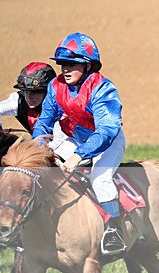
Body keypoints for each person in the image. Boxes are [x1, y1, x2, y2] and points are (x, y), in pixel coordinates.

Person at [32, 32, 127, 255]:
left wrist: (78, 155)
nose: (65, 69)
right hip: (74, 139)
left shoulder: (103, 88)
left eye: (71, 64)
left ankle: (115, 231)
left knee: (100, 179)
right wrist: (38, 147)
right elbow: (43, 122)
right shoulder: (56, 87)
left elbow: (106, 131)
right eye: (62, 64)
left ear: (88, 66)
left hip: (107, 142)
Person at [0, 62, 63, 137]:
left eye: (35, 92)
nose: (29, 97)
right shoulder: (19, 100)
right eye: (26, 91)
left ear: (48, 91)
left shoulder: (62, 106)